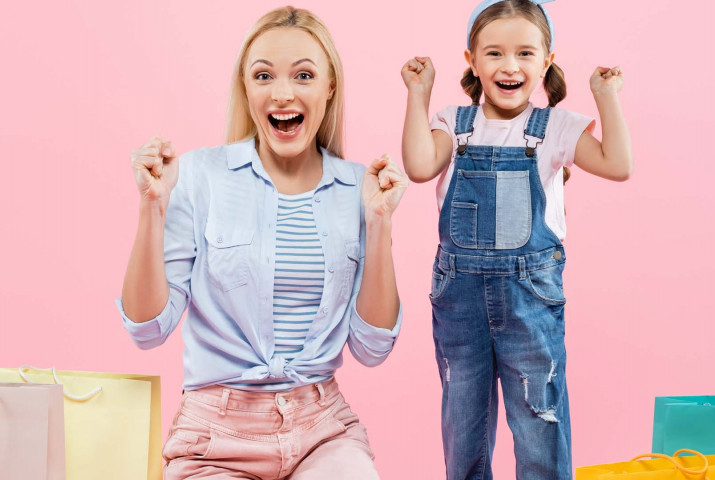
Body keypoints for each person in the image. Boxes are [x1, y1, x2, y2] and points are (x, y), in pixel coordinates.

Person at [117, 6, 407, 479]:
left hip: (322, 429)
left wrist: (379, 224)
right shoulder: (197, 175)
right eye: (264, 75)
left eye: (304, 75)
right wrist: (152, 208)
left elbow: (372, 347)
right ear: (246, 88)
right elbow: (146, 330)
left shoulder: (361, 188)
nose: (283, 93)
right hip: (213, 436)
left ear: (329, 86)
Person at [400, 0, 632, 478]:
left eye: (526, 54)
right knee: (463, 421)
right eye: (494, 54)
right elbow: (420, 167)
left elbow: (618, 164)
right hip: (459, 299)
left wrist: (607, 97)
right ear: (471, 61)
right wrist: (417, 95)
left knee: (538, 419)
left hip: (530, 297)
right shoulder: (453, 124)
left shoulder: (557, 129)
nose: (510, 66)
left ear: (547, 61)